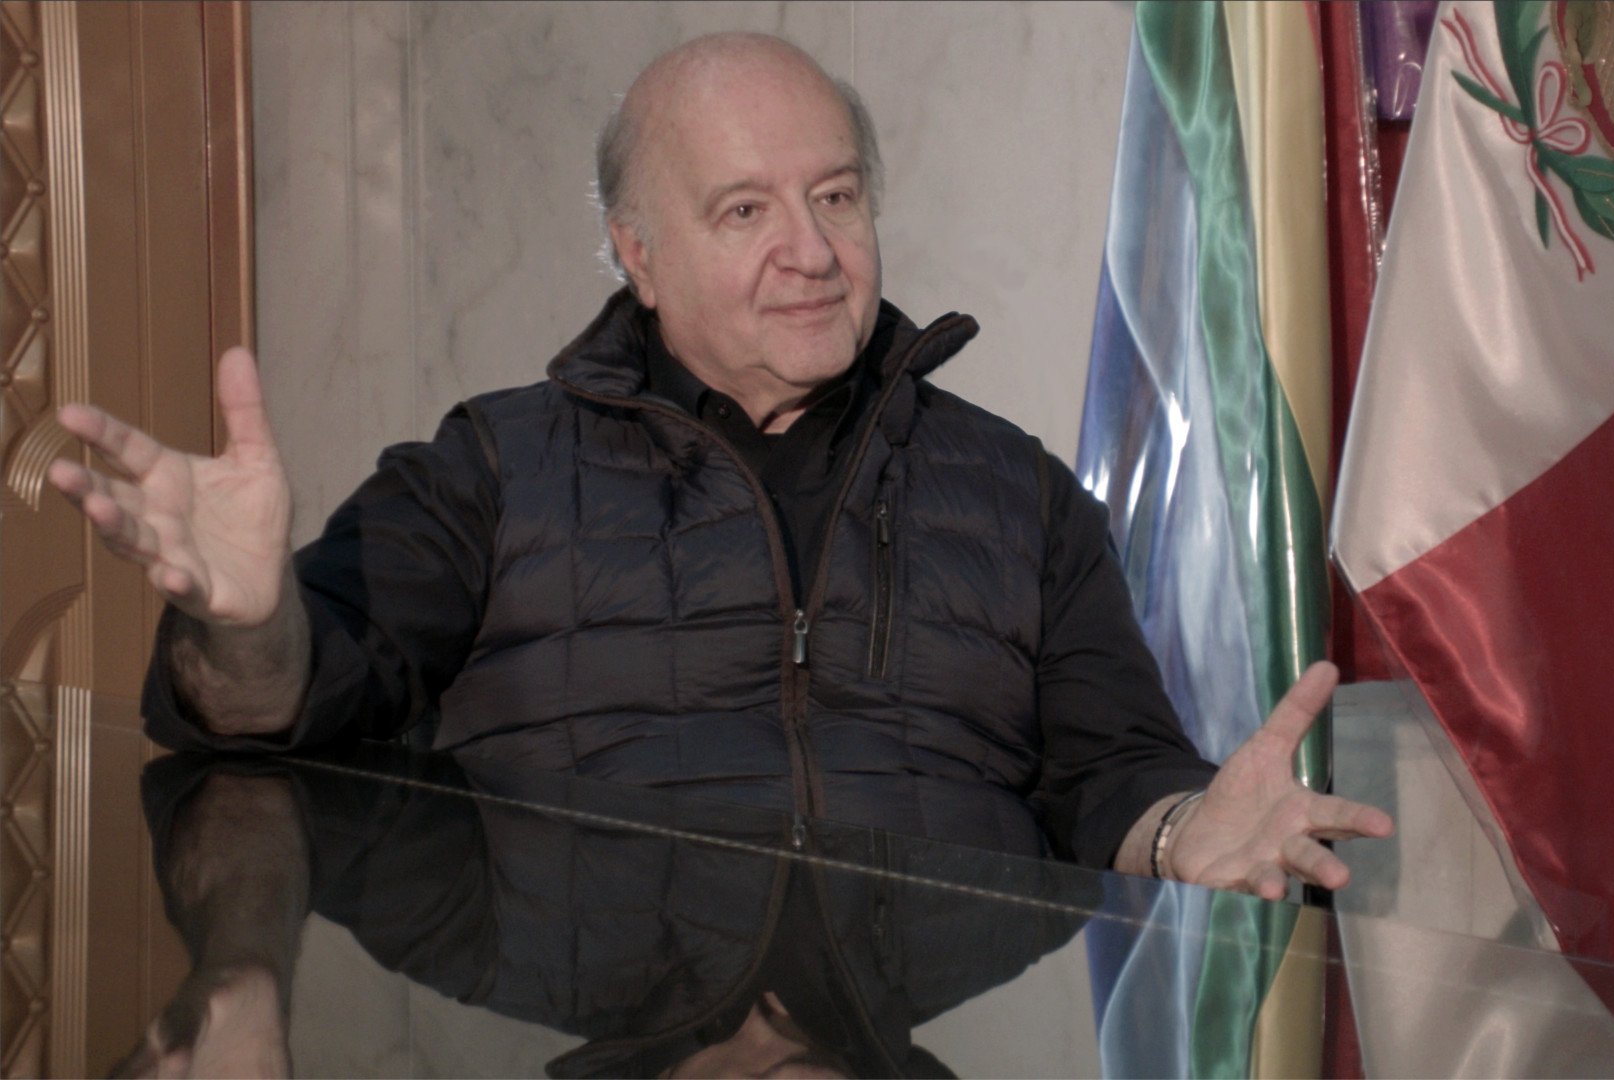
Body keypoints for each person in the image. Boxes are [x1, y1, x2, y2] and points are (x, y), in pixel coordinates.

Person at [47, 32, 1390, 897]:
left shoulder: (1023, 496)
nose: (810, 249)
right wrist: (246, 621)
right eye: (745, 209)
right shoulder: (493, 468)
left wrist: (1178, 835)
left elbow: (1119, 776)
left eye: (837, 195)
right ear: (639, 252)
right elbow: (288, 700)